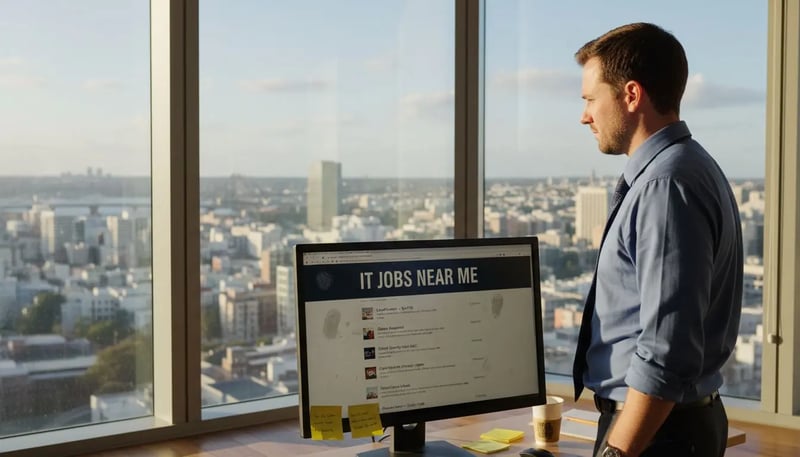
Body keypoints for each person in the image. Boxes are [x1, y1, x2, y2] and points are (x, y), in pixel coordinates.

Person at [571, 23, 743, 457]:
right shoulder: (686, 167)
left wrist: (618, 451)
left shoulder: (665, 186)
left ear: (631, 95)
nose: (585, 115)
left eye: (591, 99)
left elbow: (667, 349)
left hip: (655, 433)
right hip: (666, 426)